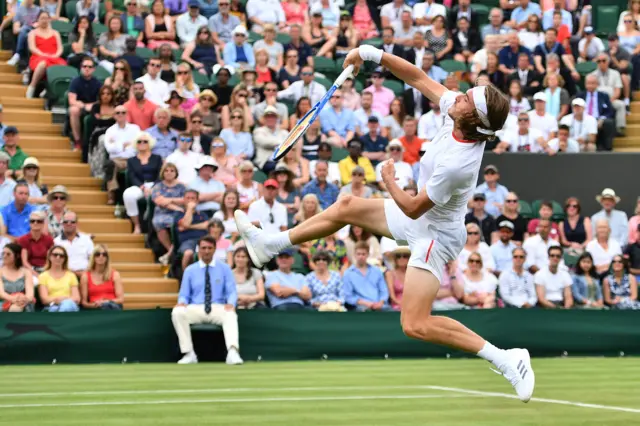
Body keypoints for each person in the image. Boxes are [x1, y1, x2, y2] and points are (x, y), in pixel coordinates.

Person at [235, 45, 535, 401]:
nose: (458, 95)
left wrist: (388, 178)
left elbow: (411, 208)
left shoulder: (459, 163)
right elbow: (418, 76)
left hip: (435, 235)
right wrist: (370, 53)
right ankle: (273, 244)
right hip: (421, 217)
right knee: (346, 204)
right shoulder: (460, 113)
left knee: (415, 325)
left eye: (467, 99)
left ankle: (506, 358)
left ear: (472, 119)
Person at [172, 235, 244, 364]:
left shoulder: (225, 268)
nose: (206, 251)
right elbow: (184, 294)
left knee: (230, 314)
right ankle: (189, 353)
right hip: (196, 307)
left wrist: (231, 303)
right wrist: (182, 302)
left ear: (214, 249)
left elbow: (231, 291)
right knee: (177, 313)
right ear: (198, 249)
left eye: (209, 248)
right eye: (203, 248)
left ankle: (233, 352)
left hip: (218, 307)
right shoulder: (190, 270)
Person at [123, 132, 164, 234]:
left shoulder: (157, 158)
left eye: (145, 141)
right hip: (140, 186)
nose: (142, 143)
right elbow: (132, 176)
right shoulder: (131, 160)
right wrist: (142, 187)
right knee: (128, 194)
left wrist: (153, 187)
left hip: (156, 185)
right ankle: (136, 225)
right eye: (139, 141)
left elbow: (160, 175)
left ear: (149, 143)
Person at [26, 11, 66, 99]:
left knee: (63, 66)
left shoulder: (55, 33)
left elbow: (60, 48)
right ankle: (32, 86)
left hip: (54, 57)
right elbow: (32, 48)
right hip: (38, 57)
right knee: (42, 64)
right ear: (38, 20)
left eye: (46, 18)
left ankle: (48, 90)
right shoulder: (33, 33)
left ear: (49, 20)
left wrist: (56, 55)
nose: (44, 20)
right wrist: (43, 54)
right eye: (42, 18)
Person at [80, 245, 125, 310]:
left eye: (104, 254)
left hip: (112, 306)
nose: (101, 256)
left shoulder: (115, 274)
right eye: (97, 254)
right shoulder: (85, 276)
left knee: (107, 306)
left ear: (107, 258)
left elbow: (121, 299)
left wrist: (105, 302)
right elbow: (84, 303)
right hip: (95, 308)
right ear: (93, 257)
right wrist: (95, 305)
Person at [38, 246, 81, 312]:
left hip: (69, 305)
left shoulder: (71, 275)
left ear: (65, 259)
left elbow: (77, 298)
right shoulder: (43, 276)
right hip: (51, 306)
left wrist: (64, 299)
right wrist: (58, 299)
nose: (58, 257)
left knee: (66, 305)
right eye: (55, 255)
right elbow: (44, 299)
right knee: (54, 309)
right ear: (49, 257)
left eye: (62, 256)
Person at [53, 211, 94, 277]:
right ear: (62, 224)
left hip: (85, 275)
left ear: (77, 224)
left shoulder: (86, 239)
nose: (69, 224)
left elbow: (93, 259)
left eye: (72, 222)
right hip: (64, 276)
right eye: (66, 222)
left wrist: (87, 273)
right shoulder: (56, 242)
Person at [17, 210, 53, 279]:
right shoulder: (23, 239)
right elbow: (24, 262)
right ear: (29, 223)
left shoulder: (49, 240)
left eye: (39, 221)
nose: (35, 223)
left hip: (45, 269)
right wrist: (36, 274)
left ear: (43, 223)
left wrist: (44, 273)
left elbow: (50, 260)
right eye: (32, 221)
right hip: (29, 270)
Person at [0, 243, 35, 312]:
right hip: (4, 302)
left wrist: (23, 300)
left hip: (24, 303)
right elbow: (1, 293)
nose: (4, 256)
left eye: (8, 254)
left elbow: (30, 294)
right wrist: (13, 299)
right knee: (15, 308)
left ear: (17, 256)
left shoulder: (26, 272)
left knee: (16, 308)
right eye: (3, 253)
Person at [385, 246, 409, 310]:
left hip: (413, 304)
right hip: (397, 306)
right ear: (395, 259)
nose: (401, 258)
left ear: (409, 259)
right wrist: (401, 304)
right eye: (398, 256)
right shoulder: (390, 274)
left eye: (405, 256)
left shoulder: (414, 274)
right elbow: (392, 297)